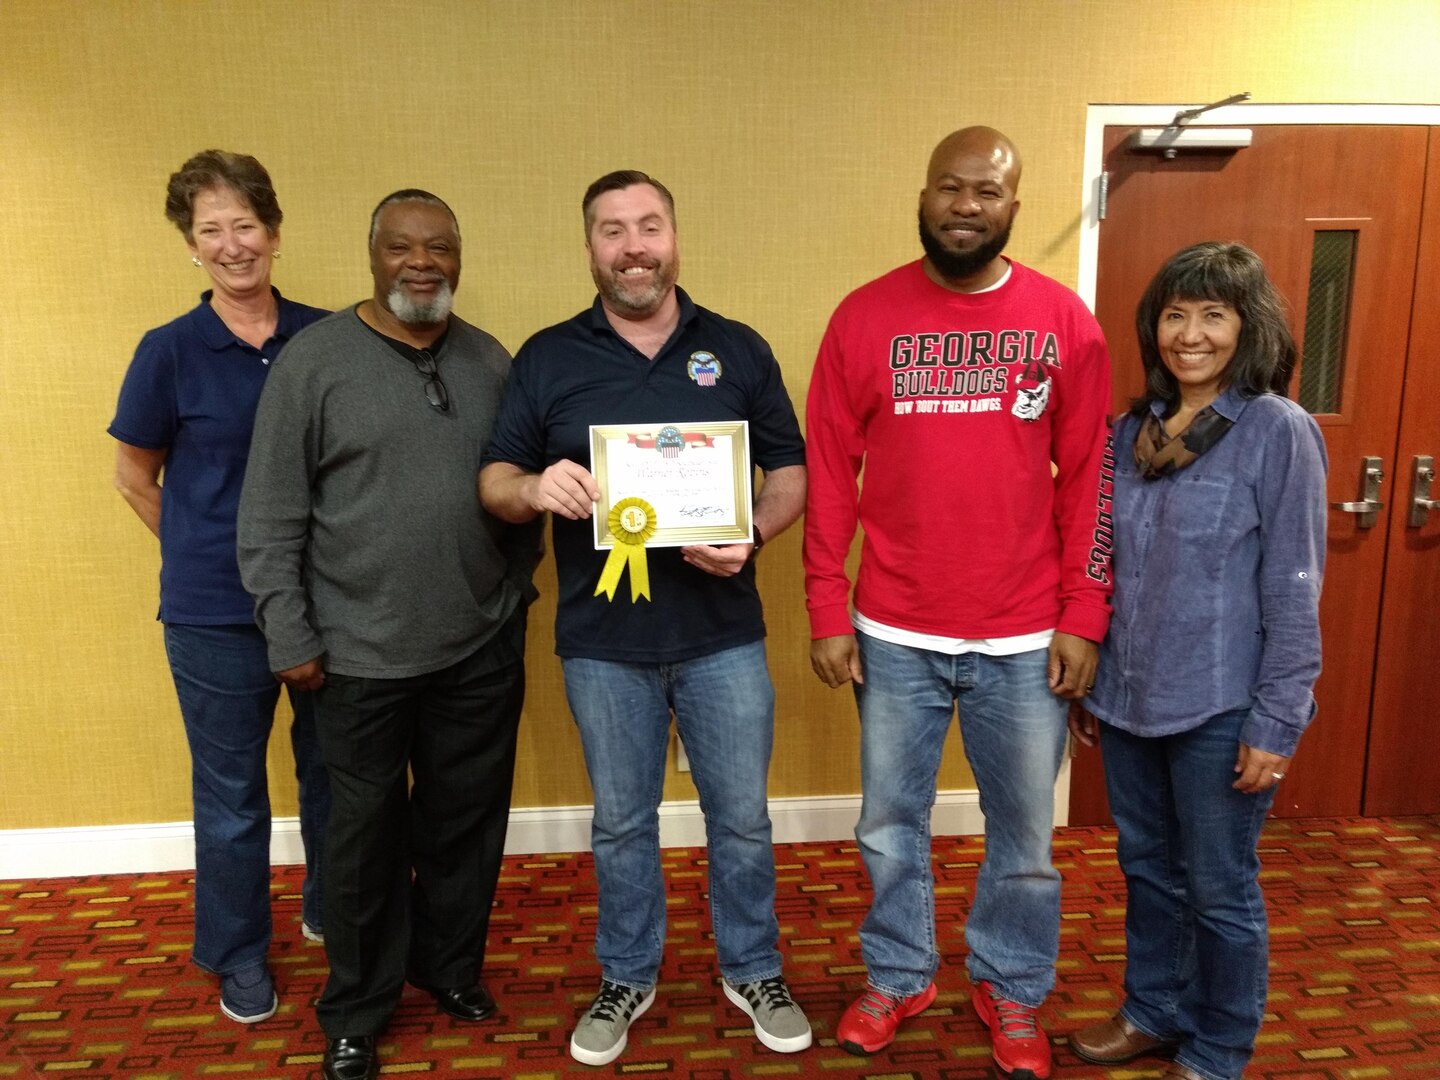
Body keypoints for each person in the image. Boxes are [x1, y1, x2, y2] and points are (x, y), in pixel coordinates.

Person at [479, 170, 812, 1067]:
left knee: (740, 819)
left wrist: (753, 529)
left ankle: (754, 966)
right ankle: (627, 972)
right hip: (603, 648)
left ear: (675, 236)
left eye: (649, 226)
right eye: (612, 230)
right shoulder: (547, 356)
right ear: (589, 246)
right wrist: (532, 486)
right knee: (621, 824)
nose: (634, 246)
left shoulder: (736, 349)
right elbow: (495, 480)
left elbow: (789, 471)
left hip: (723, 640)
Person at [803, 127, 1113, 1079]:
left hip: (1025, 634)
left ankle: (1011, 987)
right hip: (892, 627)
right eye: (950, 186)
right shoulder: (863, 318)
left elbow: (1091, 479)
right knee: (887, 827)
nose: (966, 204)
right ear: (924, 194)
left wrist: (1084, 614)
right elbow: (829, 472)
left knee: (1024, 840)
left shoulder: (1065, 323)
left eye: (988, 190)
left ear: (1015, 207)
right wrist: (825, 604)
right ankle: (898, 975)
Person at [237, 190, 540, 1080]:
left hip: (478, 647)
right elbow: (269, 515)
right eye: (403, 247)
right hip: (354, 656)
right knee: (362, 843)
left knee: (464, 824)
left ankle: (448, 971)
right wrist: (288, 631)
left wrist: (512, 594)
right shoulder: (313, 362)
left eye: (440, 247)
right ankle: (357, 1010)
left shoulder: (492, 360)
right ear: (372, 255)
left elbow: (525, 491)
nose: (423, 262)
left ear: (459, 255)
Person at [1068, 242, 1326, 1080]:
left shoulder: (1276, 431)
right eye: (1176, 313)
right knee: (1147, 870)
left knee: (1219, 889)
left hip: (1223, 706)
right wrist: (1089, 671)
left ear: (1248, 327)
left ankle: (1219, 1045)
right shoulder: (1127, 434)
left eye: (1214, 314)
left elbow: (1294, 585)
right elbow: (1100, 562)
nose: (1192, 333)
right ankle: (1154, 1011)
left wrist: (1278, 720)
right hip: (1131, 697)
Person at [109, 150, 331, 1026]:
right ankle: (238, 953)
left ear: (274, 233)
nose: (232, 243)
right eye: (211, 230)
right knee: (233, 797)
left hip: (325, 605)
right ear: (191, 247)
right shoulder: (168, 351)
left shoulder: (327, 337)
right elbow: (134, 476)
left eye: (245, 224)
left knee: (336, 776)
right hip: (214, 617)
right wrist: (211, 553)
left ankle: (331, 908)